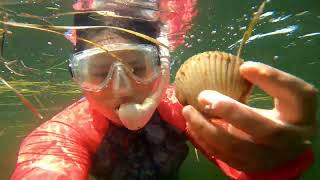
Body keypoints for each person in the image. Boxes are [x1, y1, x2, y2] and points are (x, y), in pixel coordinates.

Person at [11, 0, 317, 179]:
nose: (123, 89)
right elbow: (45, 166)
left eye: (139, 66)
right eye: (98, 71)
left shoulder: (183, 108)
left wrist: (273, 162)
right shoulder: (62, 134)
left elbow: (241, 155)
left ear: (162, 66)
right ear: (77, 76)